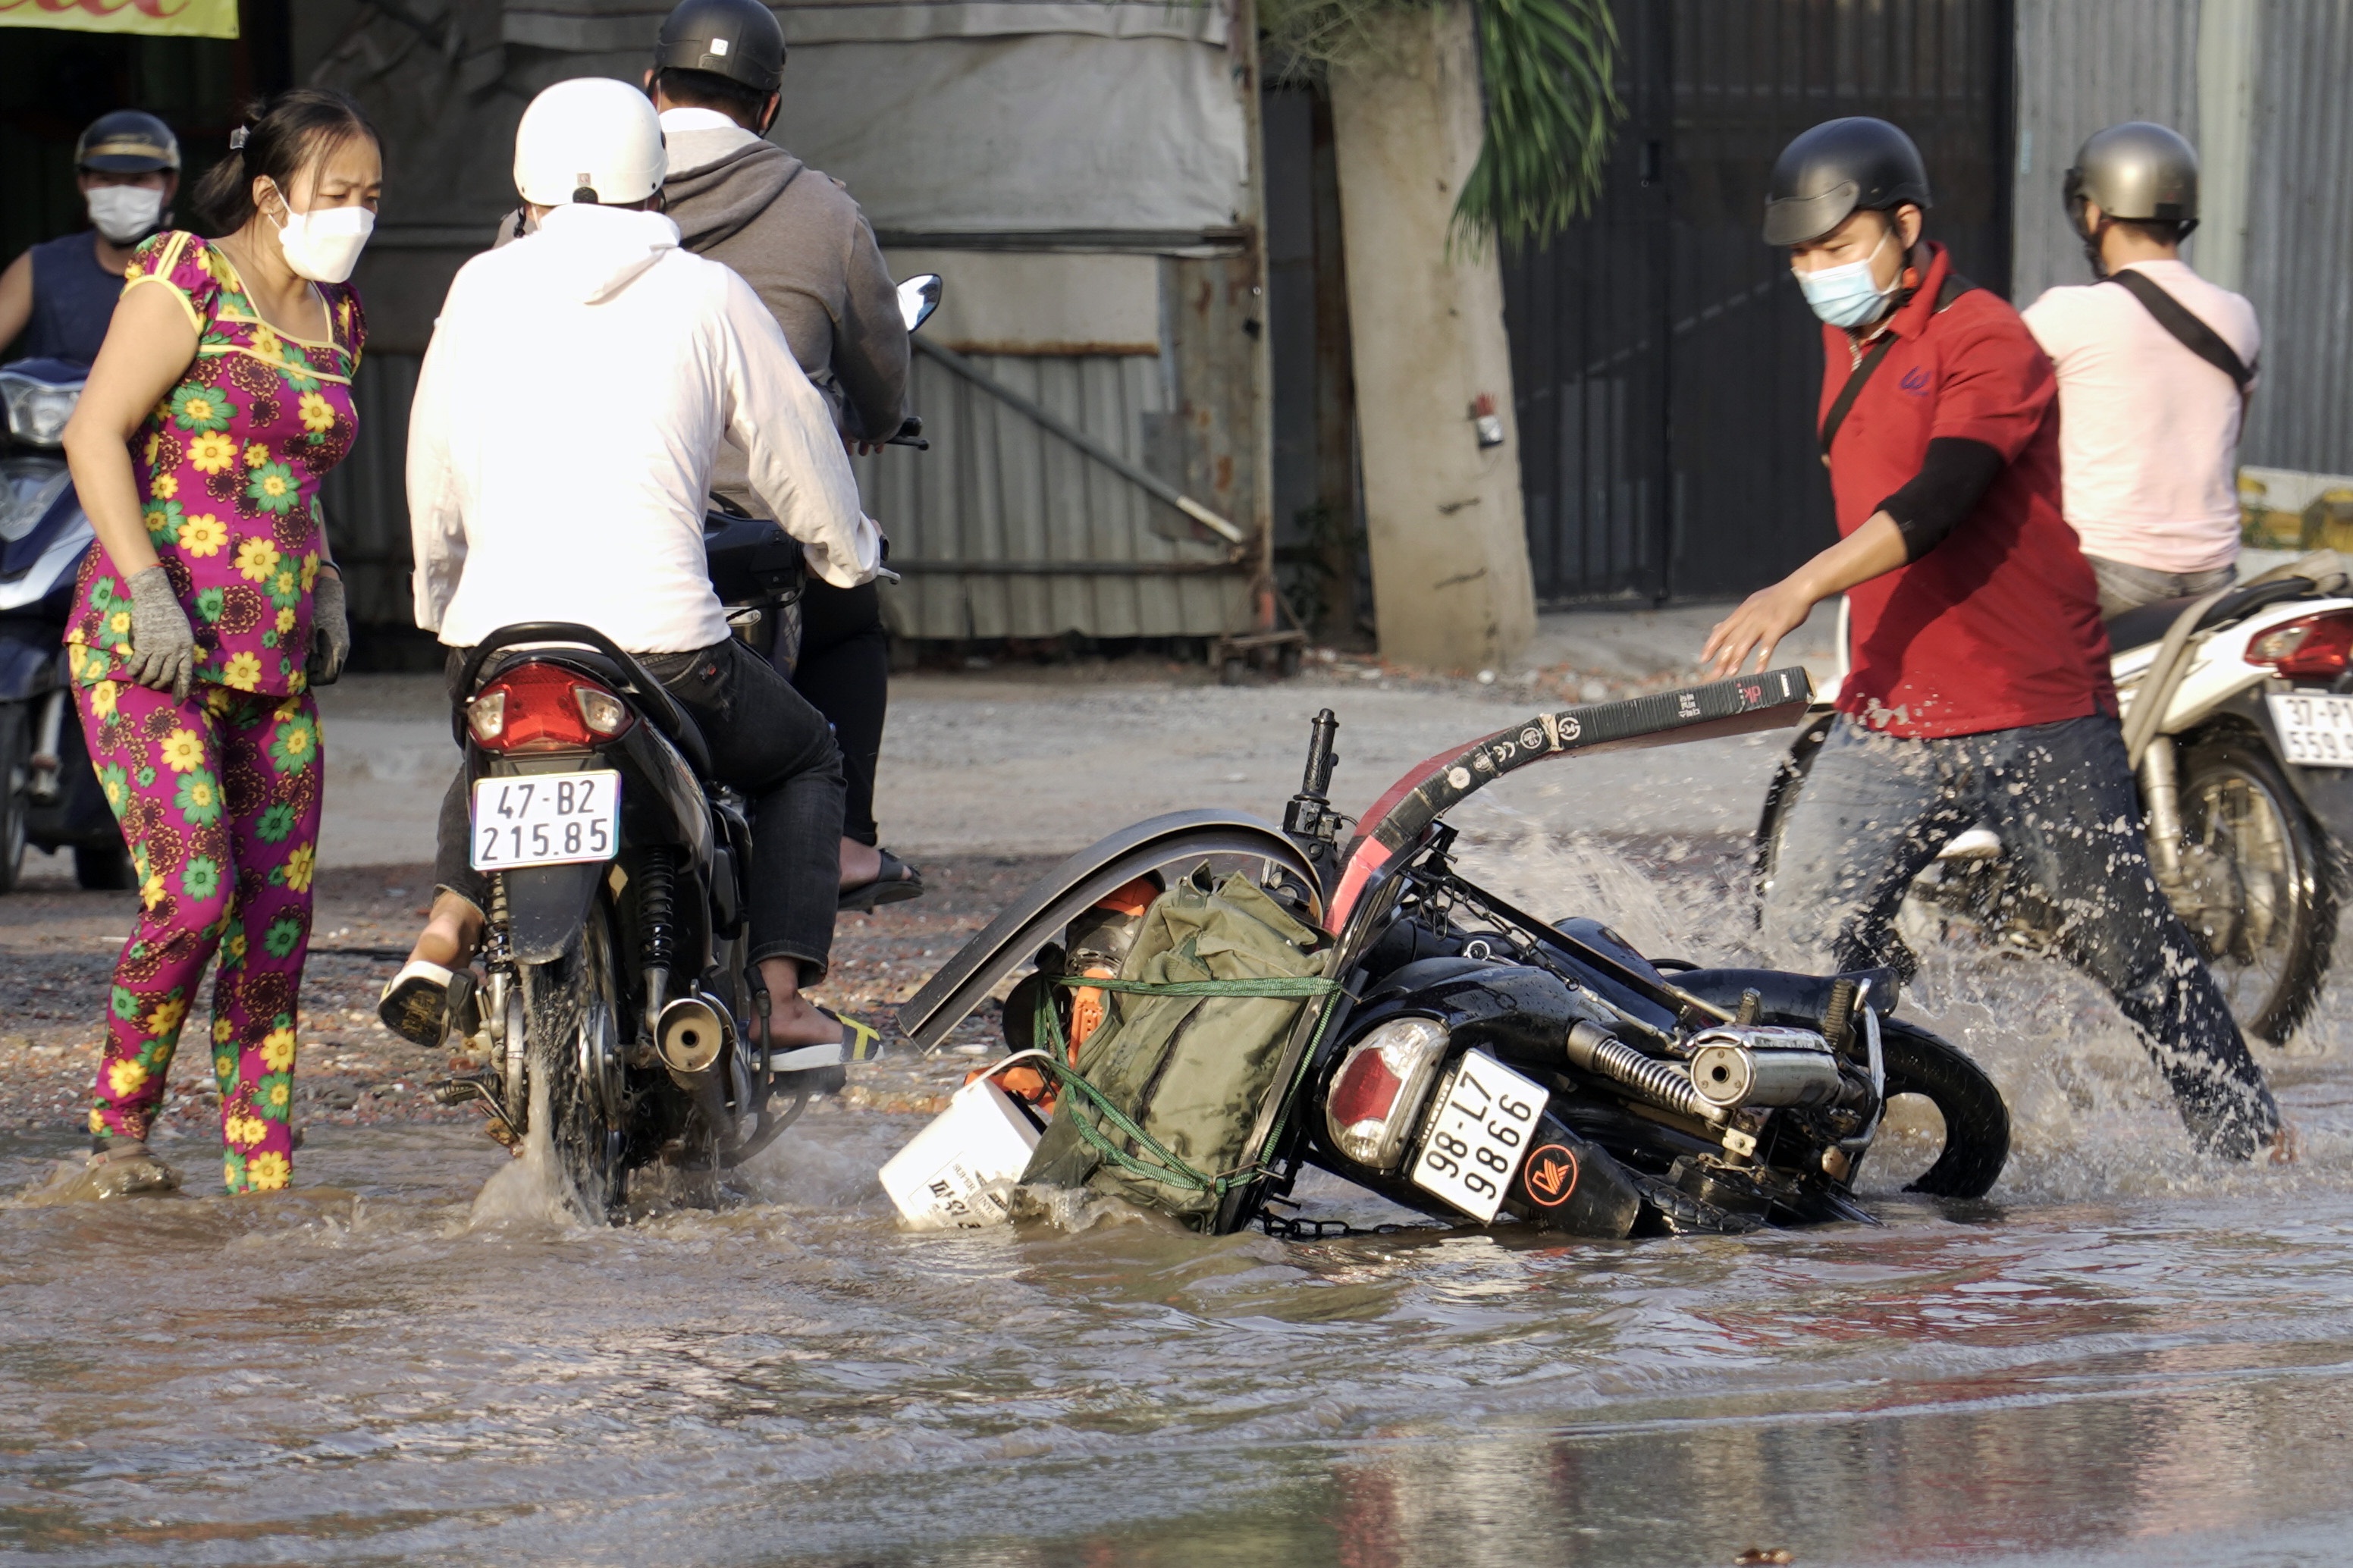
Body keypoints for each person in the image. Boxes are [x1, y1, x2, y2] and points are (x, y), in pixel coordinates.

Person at [1705, 116, 2284, 1162]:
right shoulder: (1851, 340)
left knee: (2127, 945)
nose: (1813, 275)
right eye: (1798, 257)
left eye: (1834, 250)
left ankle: (2247, 1143)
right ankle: (1807, 1144)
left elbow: (1942, 498)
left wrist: (1795, 586)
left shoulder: (1988, 339)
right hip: (1887, 709)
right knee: (1805, 937)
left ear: (1903, 226)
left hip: (2032, 708)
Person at [382, 77, 880, 1060]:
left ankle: (444, 934)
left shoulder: (479, 286)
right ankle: (779, 997)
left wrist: (441, 603)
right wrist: (844, 553)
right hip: (669, 655)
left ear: (524, 182)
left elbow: (431, 466)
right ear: (658, 182)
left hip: (498, 638)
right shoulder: (706, 293)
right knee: (804, 756)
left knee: (495, 742)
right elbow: (796, 446)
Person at [55, 89, 378, 1198]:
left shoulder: (342, 317)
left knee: (275, 932)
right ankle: (119, 1134)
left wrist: (326, 580)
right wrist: (146, 591)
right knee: (192, 895)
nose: (357, 215)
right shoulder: (184, 276)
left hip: (274, 663)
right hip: (150, 649)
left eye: (371, 197)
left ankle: (263, 1183)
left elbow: (294, 476)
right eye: (338, 195)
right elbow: (90, 432)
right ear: (270, 193)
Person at [645, 0, 919, 909]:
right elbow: (879, 364)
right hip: (758, 528)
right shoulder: (821, 212)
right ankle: (844, 844)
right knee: (849, 608)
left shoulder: (539, 226)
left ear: (652, 89)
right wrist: (876, 415)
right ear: (769, 108)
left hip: (591, 523)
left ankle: (451, 915)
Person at [2022, 122, 2260, 617]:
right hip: (2214, 575)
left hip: (2105, 568)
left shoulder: (2064, 313)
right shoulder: (2237, 315)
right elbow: (2230, 429)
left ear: (2092, 213)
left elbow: (1993, 416)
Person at [0, 111, 182, 366]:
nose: (121, 194)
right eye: (105, 179)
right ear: (83, 184)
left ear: (169, 186)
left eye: (138, 179)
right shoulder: (39, 267)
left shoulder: (197, 272)